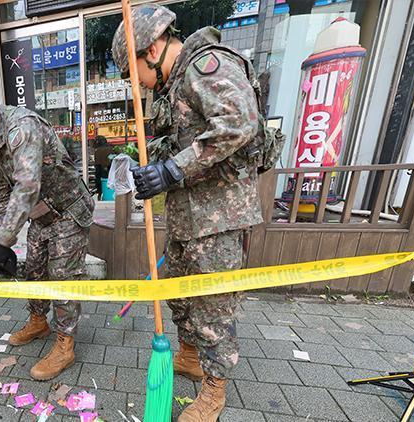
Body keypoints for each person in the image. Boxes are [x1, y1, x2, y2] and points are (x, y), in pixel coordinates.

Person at [112, 5, 263, 421]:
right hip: (187, 218)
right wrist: (150, 166)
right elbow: (181, 143)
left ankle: (214, 392)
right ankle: (190, 357)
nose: (135, 83)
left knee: (214, 309)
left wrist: (171, 169)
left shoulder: (206, 67)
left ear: (154, 48)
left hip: (218, 217)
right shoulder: (175, 85)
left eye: (133, 72)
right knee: (179, 295)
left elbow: (238, 123)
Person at [0, 68, 95, 381]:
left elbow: (26, 186)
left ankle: (65, 344)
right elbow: (6, 193)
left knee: (61, 279)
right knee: (34, 271)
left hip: (68, 211)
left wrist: (3, 241)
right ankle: (38, 321)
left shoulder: (22, 127)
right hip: (40, 216)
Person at [93, 136, 113, 200]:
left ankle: (100, 193)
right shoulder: (110, 148)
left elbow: (97, 163)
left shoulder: (98, 150)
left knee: (100, 182)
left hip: (101, 168)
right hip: (110, 168)